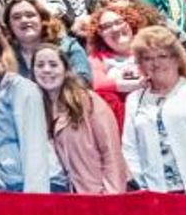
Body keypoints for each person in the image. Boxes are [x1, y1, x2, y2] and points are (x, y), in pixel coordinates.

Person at [0, 27, 65, 192]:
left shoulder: (20, 87)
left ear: (1, 53)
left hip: (30, 185)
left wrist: (34, 197)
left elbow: (34, 146)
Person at [121, 25, 186, 194]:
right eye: (147, 58)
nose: (156, 63)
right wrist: (142, 187)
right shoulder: (135, 99)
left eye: (162, 56)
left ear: (176, 59)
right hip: (160, 195)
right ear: (141, 64)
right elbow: (130, 149)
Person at [32, 44, 128, 194]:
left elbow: (111, 152)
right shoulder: (34, 109)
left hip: (98, 194)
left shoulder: (88, 101)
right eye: (40, 65)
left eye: (53, 64)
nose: (46, 70)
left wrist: (111, 196)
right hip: (63, 199)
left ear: (65, 69)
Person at [85, 3, 152, 127]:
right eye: (107, 26)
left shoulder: (150, 47)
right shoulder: (97, 58)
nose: (115, 29)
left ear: (130, 23)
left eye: (119, 22)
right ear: (99, 33)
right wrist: (137, 84)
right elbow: (98, 84)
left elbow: (184, 70)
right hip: (123, 122)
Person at [1, 0, 92, 85]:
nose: (24, 20)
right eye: (16, 17)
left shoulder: (68, 46)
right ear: (9, 25)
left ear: (42, 19)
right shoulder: (4, 55)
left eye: (30, 15)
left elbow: (83, 81)